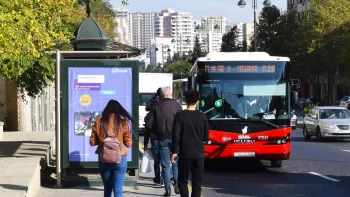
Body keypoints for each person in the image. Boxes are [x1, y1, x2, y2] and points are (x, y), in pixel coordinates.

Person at [90, 100, 133, 197]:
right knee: (118, 190)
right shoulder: (123, 123)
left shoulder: (98, 122)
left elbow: (92, 142)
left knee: (107, 189)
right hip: (120, 159)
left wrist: (102, 141)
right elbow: (129, 144)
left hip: (104, 158)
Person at [171, 89, 209, 197]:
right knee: (197, 183)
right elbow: (206, 137)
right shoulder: (203, 116)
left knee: (183, 180)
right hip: (198, 154)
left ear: (185, 101)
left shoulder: (179, 116)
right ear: (197, 101)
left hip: (184, 153)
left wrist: (174, 151)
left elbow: (176, 135)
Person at [153, 86, 183, 197]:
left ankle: (167, 190)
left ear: (161, 95)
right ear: (171, 94)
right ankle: (176, 182)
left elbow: (153, 123)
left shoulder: (157, 106)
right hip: (176, 138)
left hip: (162, 138)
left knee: (165, 165)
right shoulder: (178, 106)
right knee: (175, 161)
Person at [143, 87, 164, 186]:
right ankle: (165, 177)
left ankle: (157, 177)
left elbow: (148, 127)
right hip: (166, 136)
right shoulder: (167, 104)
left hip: (154, 136)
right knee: (165, 159)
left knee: (157, 159)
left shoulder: (153, 106)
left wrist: (145, 142)